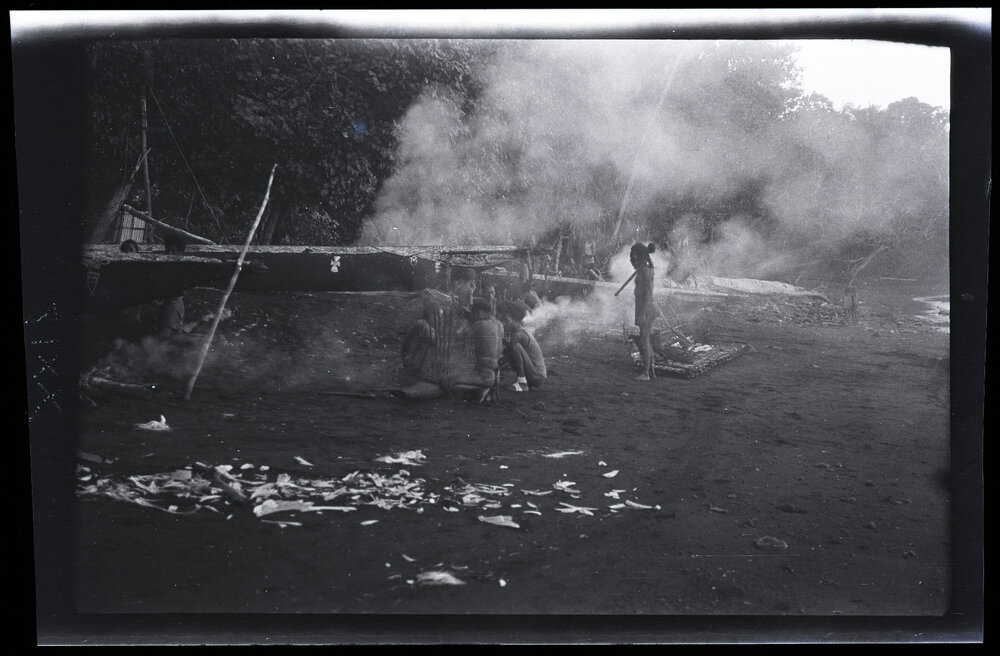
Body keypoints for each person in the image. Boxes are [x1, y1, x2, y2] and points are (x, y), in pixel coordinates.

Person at [447, 297, 504, 402]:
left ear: (478, 313)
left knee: (449, 382)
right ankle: (487, 390)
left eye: (472, 313)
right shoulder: (499, 325)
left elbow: (457, 336)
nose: (471, 316)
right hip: (496, 375)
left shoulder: (479, 325)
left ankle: (480, 392)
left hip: (483, 375)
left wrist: (461, 320)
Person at [498, 301, 546, 392]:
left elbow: (507, 356)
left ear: (516, 320)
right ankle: (523, 382)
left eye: (507, 321)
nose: (504, 324)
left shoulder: (519, 334)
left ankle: (522, 384)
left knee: (515, 348)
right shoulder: (520, 332)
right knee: (510, 350)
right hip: (534, 375)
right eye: (502, 321)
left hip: (537, 376)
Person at [630, 242, 657, 381]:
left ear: (639, 257)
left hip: (646, 309)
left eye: (633, 257)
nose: (631, 261)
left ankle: (646, 373)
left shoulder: (645, 271)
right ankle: (650, 370)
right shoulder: (645, 269)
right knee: (644, 340)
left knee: (644, 340)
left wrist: (642, 313)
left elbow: (647, 293)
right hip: (645, 308)